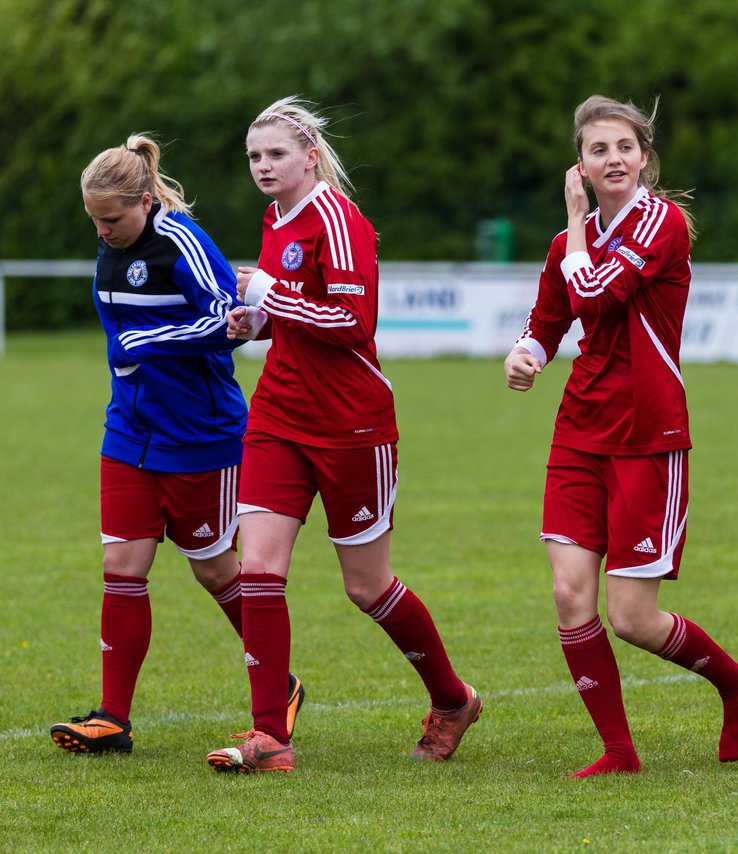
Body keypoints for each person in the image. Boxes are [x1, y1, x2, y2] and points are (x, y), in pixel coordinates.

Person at [206, 98, 480, 774]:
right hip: (277, 416)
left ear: (309, 157)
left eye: (274, 154)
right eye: (253, 157)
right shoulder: (275, 218)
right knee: (261, 569)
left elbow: (355, 322)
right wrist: (256, 323)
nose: (263, 167)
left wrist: (273, 296)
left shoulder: (340, 219)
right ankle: (270, 736)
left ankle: (453, 700)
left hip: (351, 423)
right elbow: (295, 310)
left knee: (367, 586)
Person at [504, 95, 738, 778]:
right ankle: (619, 752)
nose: (612, 158)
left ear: (644, 158)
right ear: (581, 165)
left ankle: (737, 683)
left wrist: (570, 221)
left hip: (649, 436)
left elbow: (591, 295)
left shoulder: (662, 224)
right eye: (598, 150)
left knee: (632, 617)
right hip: (579, 432)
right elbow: (550, 318)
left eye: (623, 147)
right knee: (568, 596)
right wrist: (525, 352)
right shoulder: (572, 245)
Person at [50, 135, 307, 754]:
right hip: (129, 432)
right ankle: (113, 719)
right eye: (93, 220)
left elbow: (230, 321)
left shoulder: (182, 241)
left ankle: (282, 686)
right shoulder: (109, 246)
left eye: (111, 219)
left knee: (215, 570)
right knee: (121, 567)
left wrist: (151, 341)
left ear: (143, 201)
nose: (102, 232)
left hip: (201, 436)